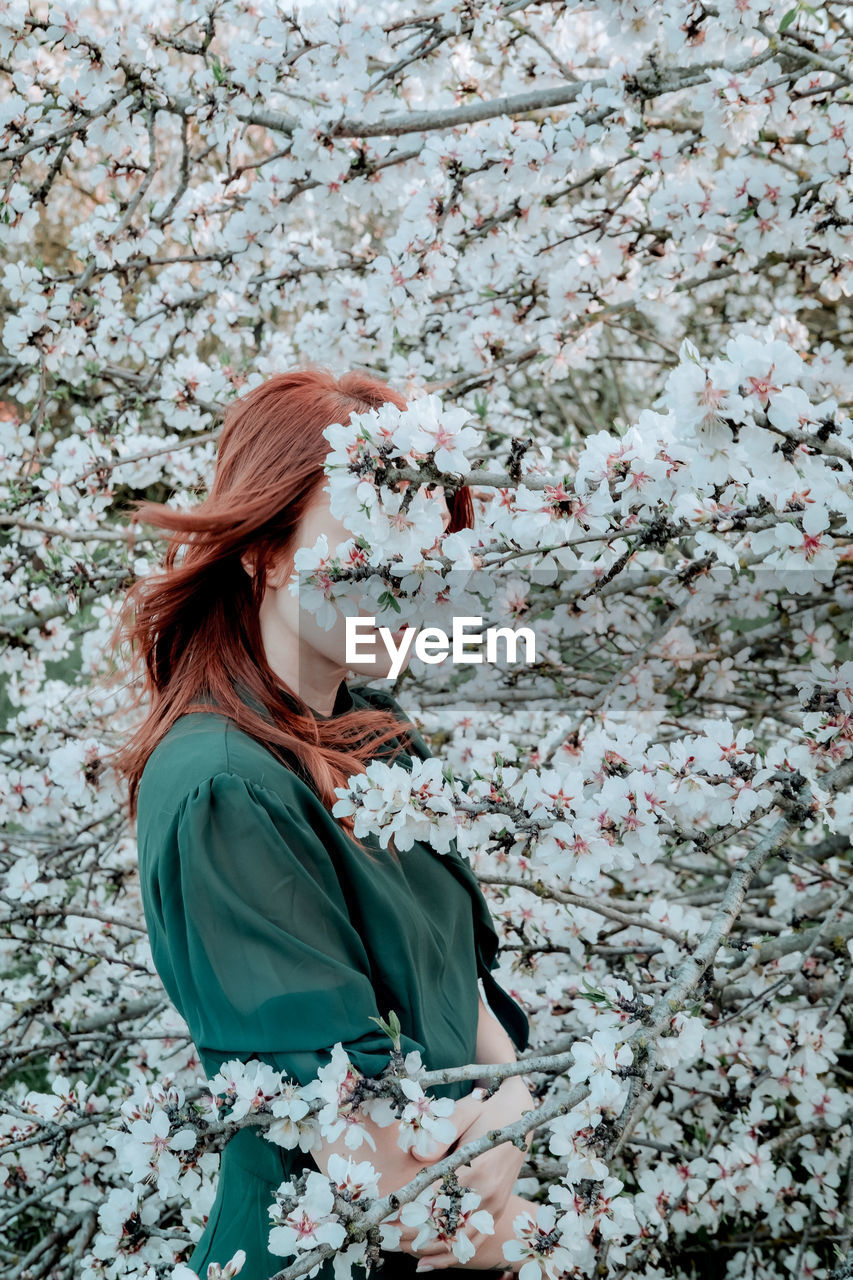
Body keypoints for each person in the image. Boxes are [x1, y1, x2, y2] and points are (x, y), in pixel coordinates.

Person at [107, 367, 540, 1280]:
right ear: (263, 550)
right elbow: (384, 1174)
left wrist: (504, 1125)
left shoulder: (381, 736)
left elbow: (469, 993)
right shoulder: (221, 786)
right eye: (364, 544)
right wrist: (525, 1209)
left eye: (424, 551)